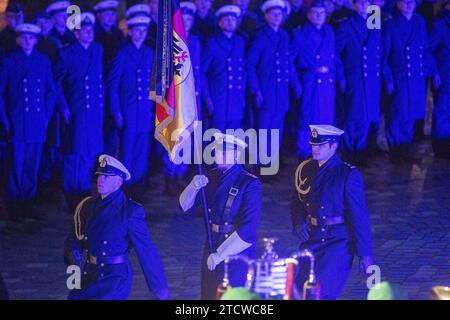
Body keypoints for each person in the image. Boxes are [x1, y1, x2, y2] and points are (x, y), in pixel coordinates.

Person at [64, 154, 170, 300]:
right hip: (88, 273)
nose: (100, 180)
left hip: (114, 278)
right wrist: (73, 260)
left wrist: (160, 287)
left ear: (118, 182)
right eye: (99, 176)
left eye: (106, 177)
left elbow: (145, 248)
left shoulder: (130, 211)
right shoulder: (87, 206)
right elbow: (75, 238)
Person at [290, 124, 374, 300]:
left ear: (333, 146)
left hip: (338, 242)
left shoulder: (347, 174)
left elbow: (359, 216)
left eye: (320, 145)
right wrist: (298, 222)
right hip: (312, 239)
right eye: (313, 145)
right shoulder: (306, 169)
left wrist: (365, 254)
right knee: (296, 288)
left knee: (321, 291)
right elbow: (297, 200)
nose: (315, 149)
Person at [179, 133, 262, 300]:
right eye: (217, 151)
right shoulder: (212, 176)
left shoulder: (249, 183)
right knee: (209, 295)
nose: (220, 155)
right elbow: (184, 206)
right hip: (212, 242)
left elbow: (248, 229)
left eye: (225, 152)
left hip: (236, 251)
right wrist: (193, 187)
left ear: (237, 155)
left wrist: (220, 255)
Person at [0, 23, 56, 221]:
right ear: (17, 39)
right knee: (17, 163)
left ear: (36, 40)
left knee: (32, 164)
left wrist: (46, 116)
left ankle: (28, 202)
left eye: (31, 38)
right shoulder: (9, 61)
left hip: (36, 121)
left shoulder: (43, 61)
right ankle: (15, 203)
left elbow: (51, 90)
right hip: (17, 121)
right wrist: (5, 120)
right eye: (23, 37)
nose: (27, 41)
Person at [54, 12, 105, 213]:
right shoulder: (66, 54)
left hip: (94, 111)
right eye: (84, 30)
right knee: (74, 154)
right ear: (76, 34)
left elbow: (100, 80)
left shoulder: (98, 50)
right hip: (76, 110)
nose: (88, 33)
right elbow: (56, 81)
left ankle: (84, 194)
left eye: (91, 29)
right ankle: (71, 195)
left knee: (89, 153)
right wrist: (63, 105)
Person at [247, 0, 301, 175]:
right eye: (273, 14)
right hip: (267, 89)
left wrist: (295, 82)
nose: (277, 17)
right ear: (266, 15)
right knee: (264, 128)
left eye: (280, 14)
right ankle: (260, 166)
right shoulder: (261, 36)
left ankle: (271, 164)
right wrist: (256, 89)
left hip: (281, 91)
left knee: (276, 129)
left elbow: (288, 63)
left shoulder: (285, 36)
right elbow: (250, 64)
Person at [382, 0, 437, 163]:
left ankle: (406, 150)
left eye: (411, 2)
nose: (408, 4)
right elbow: (384, 57)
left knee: (412, 114)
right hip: (400, 76)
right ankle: (395, 151)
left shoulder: (419, 21)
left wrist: (433, 71)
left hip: (417, 77)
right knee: (397, 114)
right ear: (398, 4)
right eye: (405, 2)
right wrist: (388, 79)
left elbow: (426, 49)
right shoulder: (390, 24)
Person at [107, 15, 154, 192]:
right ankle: (125, 186)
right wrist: (116, 112)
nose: (141, 34)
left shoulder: (149, 53)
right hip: (128, 110)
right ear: (130, 32)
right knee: (127, 151)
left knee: (141, 151)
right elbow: (113, 85)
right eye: (137, 30)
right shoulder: (123, 53)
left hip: (144, 110)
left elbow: (153, 83)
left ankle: (138, 185)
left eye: (144, 30)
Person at [335, 0, 382, 165]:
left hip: (372, 79)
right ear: (354, 6)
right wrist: (341, 77)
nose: (364, 5)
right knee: (352, 116)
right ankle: (349, 152)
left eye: (367, 2)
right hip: (354, 78)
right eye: (360, 3)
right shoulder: (346, 25)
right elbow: (336, 54)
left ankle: (360, 151)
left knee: (368, 116)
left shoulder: (374, 22)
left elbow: (379, 50)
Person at [291, 0, 337, 160]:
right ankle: (304, 152)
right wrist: (296, 82)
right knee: (307, 117)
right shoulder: (300, 32)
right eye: (315, 13)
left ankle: (323, 151)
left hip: (327, 81)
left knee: (325, 117)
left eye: (321, 13)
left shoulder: (329, 32)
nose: (318, 16)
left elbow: (334, 58)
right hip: (309, 80)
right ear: (309, 15)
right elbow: (290, 60)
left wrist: (336, 77)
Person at [202, 4, 247, 133]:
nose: (230, 22)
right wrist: (207, 98)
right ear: (220, 23)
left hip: (236, 97)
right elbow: (202, 72)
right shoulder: (212, 43)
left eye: (233, 19)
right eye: (226, 19)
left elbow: (243, 72)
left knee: (233, 136)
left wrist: (242, 96)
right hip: (219, 97)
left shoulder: (240, 42)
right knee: (217, 135)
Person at [94, 0, 126, 158]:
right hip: (98, 84)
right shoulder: (94, 33)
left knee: (112, 124)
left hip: (115, 83)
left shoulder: (118, 33)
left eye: (112, 14)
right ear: (99, 15)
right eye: (106, 14)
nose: (110, 17)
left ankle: (109, 158)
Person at [428, 1, 449, 159]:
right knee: (442, 113)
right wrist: (434, 72)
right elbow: (428, 50)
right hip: (444, 78)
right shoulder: (440, 26)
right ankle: (441, 149)